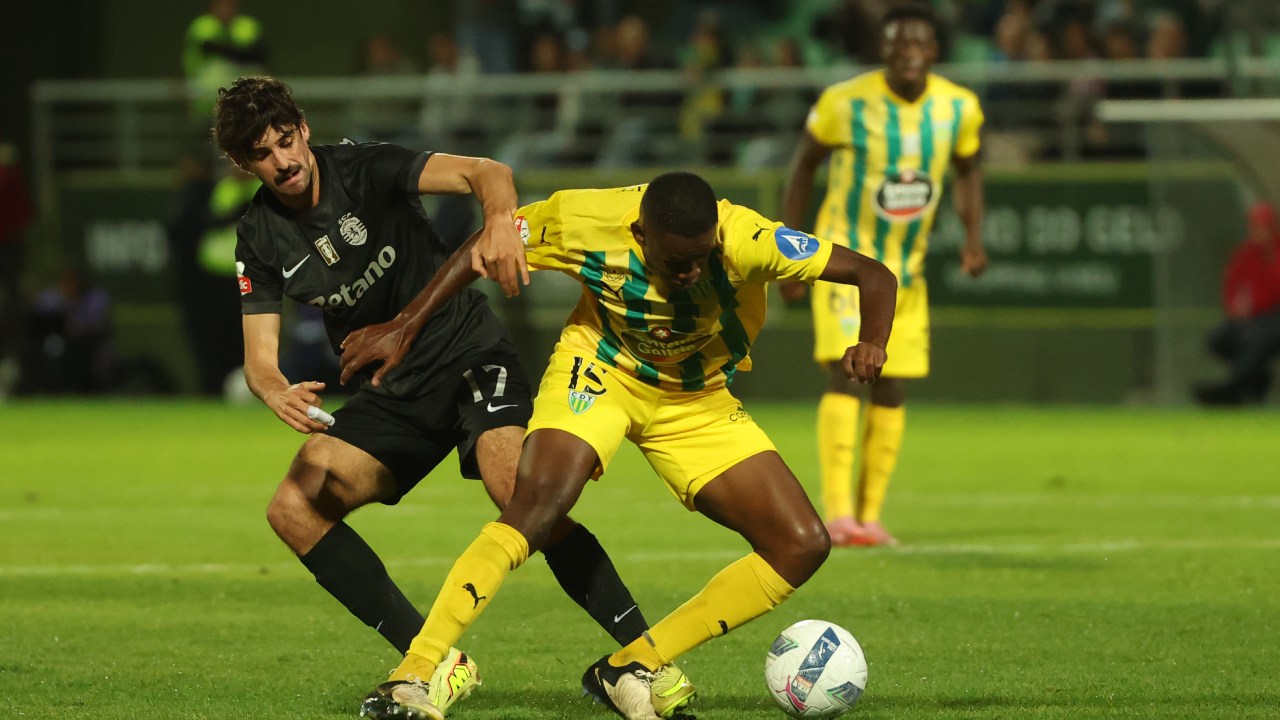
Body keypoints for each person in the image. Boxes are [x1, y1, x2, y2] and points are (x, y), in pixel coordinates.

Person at [342, 171, 897, 720]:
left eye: (704, 257)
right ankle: (413, 673)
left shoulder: (747, 239)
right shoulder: (582, 220)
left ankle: (632, 665)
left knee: (801, 543)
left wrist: (872, 340)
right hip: (600, 370)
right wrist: (405, 323)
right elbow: (490, 242)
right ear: (639, 234)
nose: (695, 271)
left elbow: (873, 274)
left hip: (695, 397)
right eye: (679, 261)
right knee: (536, 505)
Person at [214, 76, 684, 716]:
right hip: (390, 387)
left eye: (287, 141)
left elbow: (489, 171)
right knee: (293, 508)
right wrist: (276, 393)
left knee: (520, 492)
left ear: (302, 127)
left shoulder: (365, 167)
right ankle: (430, 663)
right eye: (264, 155)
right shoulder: (260, 236)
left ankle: (644, 656)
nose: (285, 161)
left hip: (465, 350)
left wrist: (498, 223)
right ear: (245, 163)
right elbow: (259, 363)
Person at [780, 2, 987, 547]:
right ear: (883, 50)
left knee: (892, 384)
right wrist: (788, 251)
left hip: (907, 272)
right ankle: (840, 513)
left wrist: (972, 238)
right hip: (844, 265)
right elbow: (803, 167)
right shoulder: (844, 103)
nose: (908, 53)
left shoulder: (959, 108)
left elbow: (968, 171)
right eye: (898, 44)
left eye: (919, 44)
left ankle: (869, 518)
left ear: (935, 51)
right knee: (845, 369)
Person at [1196, 201, 1280, 405]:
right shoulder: (1244, 254)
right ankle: (1258, 379)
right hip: (1251, 317)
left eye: (1263, 227)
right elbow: (1232, 287)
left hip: (1275, 315)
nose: (1258, 231)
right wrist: (1235, 306)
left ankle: (1235, 389)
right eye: (1254, 226)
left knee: (1256, 339)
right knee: (1219, 339)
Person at [184, 0, 266, 118]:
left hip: (245, 104)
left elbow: (256, 55)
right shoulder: (202, 26)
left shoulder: (248, 26)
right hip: (208, 104)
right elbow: (207, 47)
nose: (225, 8)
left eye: (228, 4)